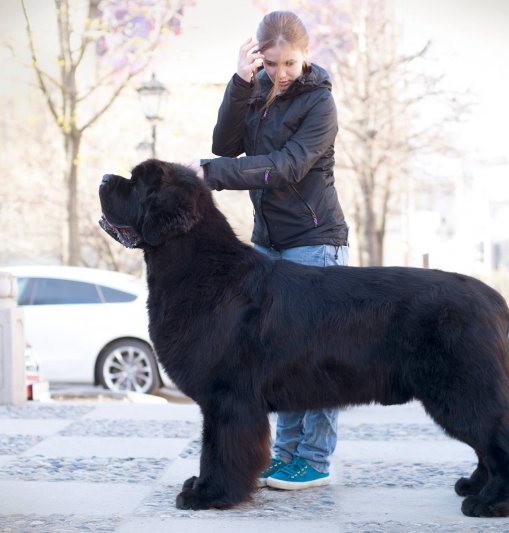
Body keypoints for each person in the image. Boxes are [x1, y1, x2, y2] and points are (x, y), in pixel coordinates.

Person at [190, 10, 349, 491]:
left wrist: (211, 174)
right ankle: (284, 455)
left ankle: (314, 459)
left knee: (317, 355)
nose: (281, 73)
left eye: (291, 64)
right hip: (268, 245)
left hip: (314, 245)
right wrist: (240, 82)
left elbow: (287, 167)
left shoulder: (320, 104)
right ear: (259, 57)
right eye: (272, 62)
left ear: (307, 56)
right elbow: (225, 143)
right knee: (278, 356)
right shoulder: (257, 91)